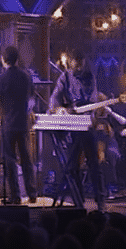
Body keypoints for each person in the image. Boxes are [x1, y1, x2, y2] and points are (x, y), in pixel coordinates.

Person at [49, 53, 106, 212]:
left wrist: (84, 108)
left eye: (81, 64)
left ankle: (100, 200)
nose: (79, 67)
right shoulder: (65, 77)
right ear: (71, 63)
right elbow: (55, 96)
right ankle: (78, 200)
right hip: (72, 125)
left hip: (87, 124)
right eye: (76, 64)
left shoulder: (90, 77)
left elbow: (92, 99)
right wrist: (58, 109)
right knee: (73, 166)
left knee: (93, 163)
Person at [0, 46, 37, 205]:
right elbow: (32, 94)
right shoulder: (26, 76)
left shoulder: (2, 78)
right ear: (17, 59)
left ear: (3, 60)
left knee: (10, 160)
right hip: (23, 123)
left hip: (8, 125)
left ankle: (15, 196)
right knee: (26, 159)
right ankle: (32, 193)